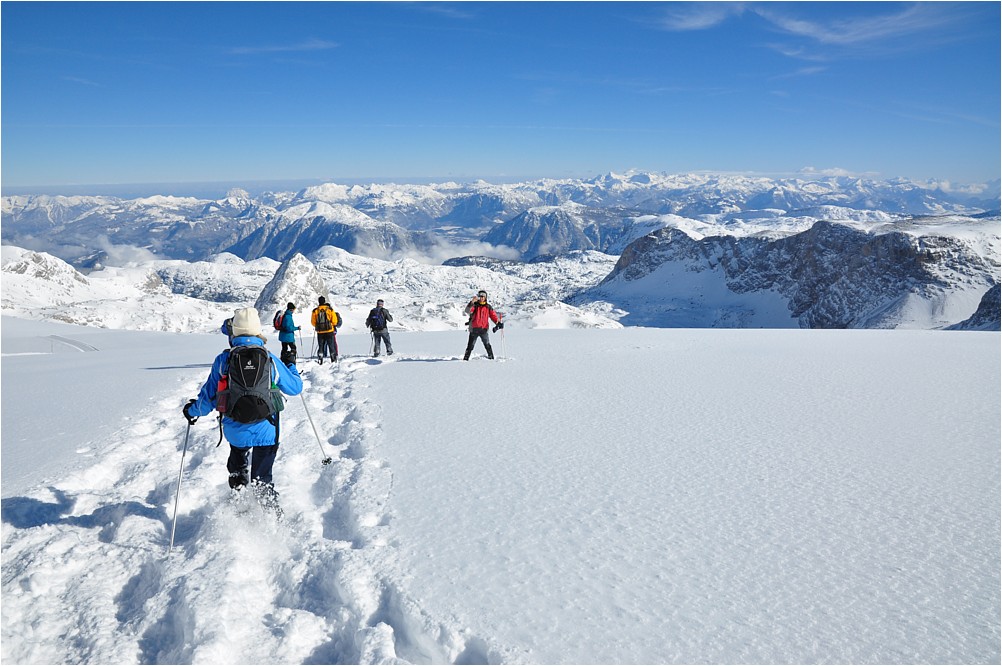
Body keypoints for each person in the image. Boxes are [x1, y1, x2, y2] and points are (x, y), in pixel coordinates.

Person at [182, 307, 303, 511]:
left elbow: (208, 398)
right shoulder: (270, 359)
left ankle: (238, 505)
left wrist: (191, 411)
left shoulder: (224, 361)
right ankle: (271, 516)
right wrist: (290, 365)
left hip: (235, 429)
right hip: (267, 428)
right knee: (262, 478)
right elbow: (295, 388)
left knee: (237, 467)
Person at [464, 290, 502, 360]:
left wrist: (498, 322)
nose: (481, 298)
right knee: (470, 346)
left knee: (487, 345)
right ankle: (465, 360)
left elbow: (493, 316)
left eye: (483, 296)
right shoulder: (474, 305)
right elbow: (467, 310)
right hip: (474, 330)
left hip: (484, 329)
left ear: (485, 297)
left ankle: (491, 358)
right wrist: (472, 302)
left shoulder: (488, 307)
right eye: (480, 296)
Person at [311, 296, 341, 364]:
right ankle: (333, 359)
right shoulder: (330, 309)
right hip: (329, 331)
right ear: (324, 301)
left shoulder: (315, 311)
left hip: (320, 331)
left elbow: (313, 322)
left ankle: (320, 358)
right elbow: (334, 321)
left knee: (321, 346)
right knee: (331, 345)